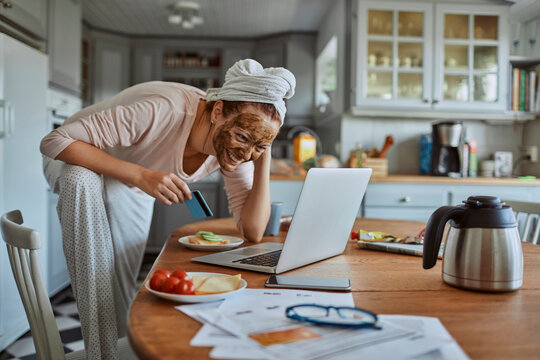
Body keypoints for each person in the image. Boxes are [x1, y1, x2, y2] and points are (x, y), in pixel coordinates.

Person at [40, 59, 296, 360]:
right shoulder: (167, 110)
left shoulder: (239, 151)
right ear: (217, 111)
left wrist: (262, 154)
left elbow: (252, 229)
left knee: (119, 290)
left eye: (259, 144)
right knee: (80, 179)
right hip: (79, 154)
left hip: (133, 186)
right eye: (242, 136)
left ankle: (115, 351)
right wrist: (140, 175)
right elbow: (56, 140)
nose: (245, 152)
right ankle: (98, 354)